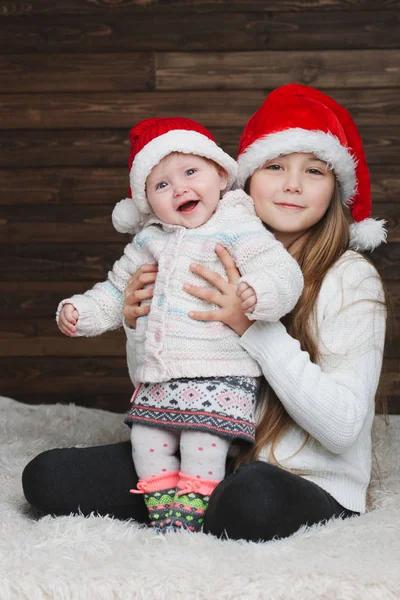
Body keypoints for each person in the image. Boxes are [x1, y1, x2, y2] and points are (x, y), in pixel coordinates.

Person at [22, 84, 387, 543]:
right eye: (275, 166)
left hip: (301, 478)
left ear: (335, 188)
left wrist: (250, 324)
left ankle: (201, 504)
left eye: (314, 170)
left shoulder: (351, 278)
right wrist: (137, 323)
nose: (292, 184)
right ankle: (187, 499)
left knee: (249, 499)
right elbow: (164, 380)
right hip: (208, 448)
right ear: (242, 179)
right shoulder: (197, 246)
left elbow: (343, 427)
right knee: (47, 477)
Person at [55, 117, 304, 532]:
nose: (180, 188)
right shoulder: (148, 241)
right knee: (145, 442)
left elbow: (280, 270)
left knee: (200, 446)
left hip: (219, 373)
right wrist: (81, 312)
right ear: (148, 202)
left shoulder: (238, 226)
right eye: (162, 185)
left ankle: (190, 516)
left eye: (191, 172)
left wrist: (260, 292)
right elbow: (116, 292)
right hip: (160, 376)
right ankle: (163, 515)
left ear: (221, 174)